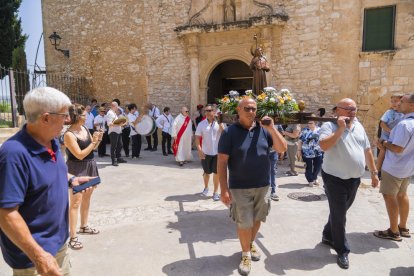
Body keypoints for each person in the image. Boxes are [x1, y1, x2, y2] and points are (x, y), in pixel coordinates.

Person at [0, 87, 94, 275]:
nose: (68, 120)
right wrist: (39, 257)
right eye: (64, 115)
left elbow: (49, 174)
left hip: (58, 244)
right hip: (33, 256)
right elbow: (6, 213)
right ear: (45, 118)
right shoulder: (14, 154)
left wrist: (72, 180)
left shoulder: (51, 141)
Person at [218, 98, 286, 276]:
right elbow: (222, 161)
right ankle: (246, 254)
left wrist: (271, 128)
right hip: (239, 187)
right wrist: (223, 189)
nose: (251, 112)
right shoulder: (229, 133)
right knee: (244, 221)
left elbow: (281, 148)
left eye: (254, 109)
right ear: (238, 110)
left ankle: (249, 243)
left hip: (263, 186)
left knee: (257, 218)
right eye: (247, 108)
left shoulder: (264, 130)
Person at [319, 98, 379, 269]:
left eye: (354, 109)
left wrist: (374, 173)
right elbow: (323, 146)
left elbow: (367, 150)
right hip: (334, 178)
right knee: (340, 215)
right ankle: (342, 250)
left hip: (354, 179)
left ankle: (327, 234)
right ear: (338, 110)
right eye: (348, 109)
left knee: (340, 210)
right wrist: (341, 129)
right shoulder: (329, 126)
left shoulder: (359, 126)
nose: (352, 112)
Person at [374, 93, 414, 241]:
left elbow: (397, 148)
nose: (398, 104)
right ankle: (403, 227)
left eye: (402, 102)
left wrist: (383, 144)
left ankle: (393, 231)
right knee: (402, 195)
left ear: (411, 105)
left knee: (390, 197)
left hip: (394, 167)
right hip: (408, 167)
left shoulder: (404, 125)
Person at [64, 104, 103, 250]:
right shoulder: (69, 135)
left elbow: (93, 149)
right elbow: (79, 155)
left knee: (87, 198)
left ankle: (84, 226)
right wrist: (93, 142)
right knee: (75, 203)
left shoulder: (85, 129)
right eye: (84, 115)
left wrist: (97, 139)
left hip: (90, 165)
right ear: (77, 117)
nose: (86, 117)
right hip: (77, 169)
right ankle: (73, 237)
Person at [195, 104, 225, 201]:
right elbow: (197, 138)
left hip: (217, 153)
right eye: (206, 111)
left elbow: (225, 134)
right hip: (206, 152)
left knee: (216, 173)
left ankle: (216, 192)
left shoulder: (219, 123)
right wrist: (199, 150)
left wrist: (220, 122)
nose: (207, 112)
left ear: (214, 111)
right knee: (206, 173)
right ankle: (206, 187)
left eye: (209, 110)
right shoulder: (201, 124)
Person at [376, 94, 404, 178]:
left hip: (397, 137)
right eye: (392, 102)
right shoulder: (389, 112)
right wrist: (391, 131)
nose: (393, 103)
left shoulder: (404, 114)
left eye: (396, 101)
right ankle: (377, 170)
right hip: (387, 136)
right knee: (383, 151)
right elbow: (382, 123)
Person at [298, 119, 323, 187]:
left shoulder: (319, 130)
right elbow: (300, 141)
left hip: (318, 151)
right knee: (308, 167)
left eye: (311, 123)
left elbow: (323, 139)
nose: (309, 124)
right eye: (308, 123)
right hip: (307, 152)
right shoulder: (305, 131)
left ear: (315, 123)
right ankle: (310, 180)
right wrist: (299, 151)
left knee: (318, 166)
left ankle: (315, 177)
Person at [106, 101, 127, 166]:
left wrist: (122, 124)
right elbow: (109, 124)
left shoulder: (113, 113)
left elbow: (116, 122)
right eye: (117, 106)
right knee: (113, 147)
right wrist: (119, 124)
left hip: (118, 131)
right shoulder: (110, 113)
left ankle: (118, 158)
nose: (118, 108)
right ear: (113, 106)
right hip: (113, 132)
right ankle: (113, 160)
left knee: (120, 145)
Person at [269, 124, 284, 201]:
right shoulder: (259, 121)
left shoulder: (277, 123)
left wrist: (281, 149)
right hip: (262, 151)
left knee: (272, 171)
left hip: (273, 151)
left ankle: (272, 191)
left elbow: (281, 135)